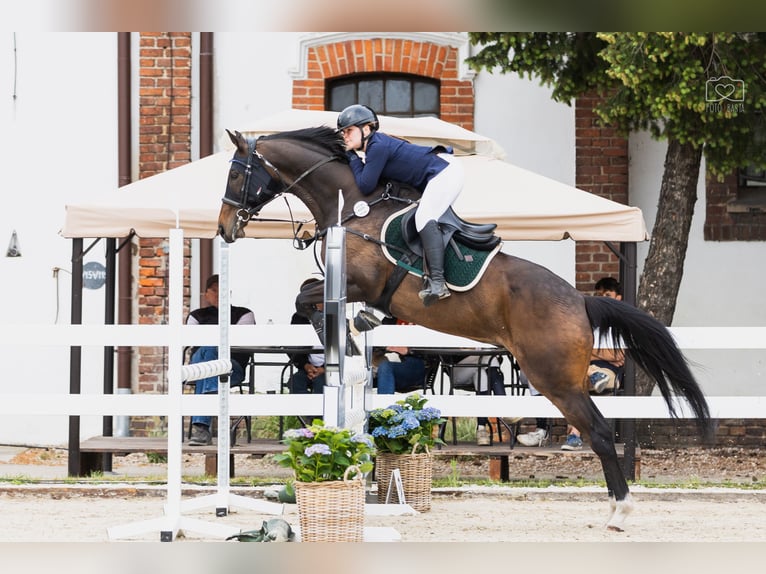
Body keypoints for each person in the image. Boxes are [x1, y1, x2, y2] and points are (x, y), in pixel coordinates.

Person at [338, 104, 464, 306]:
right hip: (438, 173)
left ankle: (438, 282)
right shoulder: (374, 146)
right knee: (418, 219)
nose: (345, 136)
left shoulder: (376, 147)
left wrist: (351, 157)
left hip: (444, 172)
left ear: (367, 128)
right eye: (343, 132)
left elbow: (366, 185)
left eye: (349, 130)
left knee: (424, 218)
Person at [187, 274, 256, 446]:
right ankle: (212, 391)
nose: (219, 295)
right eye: (214, 291)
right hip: (198, 366)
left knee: (209, 355)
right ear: (206, 295)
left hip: (232, 368)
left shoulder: (244, 314)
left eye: (222, 291)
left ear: (229, 293)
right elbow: (191, 341)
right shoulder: (196, 316)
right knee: (208, 349)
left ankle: (201, 429)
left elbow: (243, 341)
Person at [561, 276, 625, 451]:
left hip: (611, 372)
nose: (602, 297)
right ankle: (574, 435)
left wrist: (591, 351)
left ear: (618, 297)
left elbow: (617, 355)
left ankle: (574, 436)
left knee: (582, 381)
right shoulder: (591, 321)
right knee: (575, 386)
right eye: (599, 294)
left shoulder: (619, 322)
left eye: (607, 294)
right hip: (586, 370)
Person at [440, 352, 508, 446]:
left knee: (481, 375)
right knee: (489, 358)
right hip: (456, 370)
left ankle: (481, 429)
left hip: (477, 368)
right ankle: (505, 408)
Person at [287, 278, 326, 398]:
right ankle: (309, 416)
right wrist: (306, 365)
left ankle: (320, 416)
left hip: (331, 368)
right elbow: (292, 345)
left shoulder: (334, 315)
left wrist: (324, 368)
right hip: (308, 366)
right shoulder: (299, 318)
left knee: (322, 383)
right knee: (295, 382)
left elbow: (343, 349)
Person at [373, 317, 429, 394]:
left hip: (418, 365)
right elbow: (376, 337)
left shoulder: (424, 316)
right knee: (361, 370)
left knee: (385, 367)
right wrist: (386, 347)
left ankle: (386, 405)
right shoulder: (391, 317)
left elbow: (435, 345)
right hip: (389, 364)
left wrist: (409, 350)